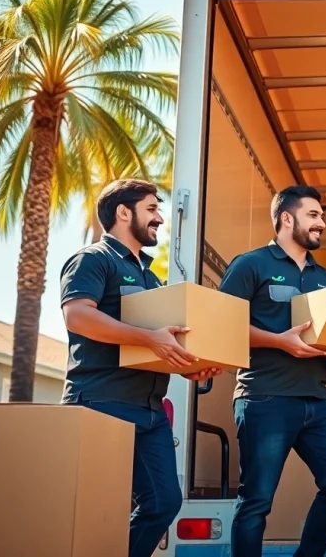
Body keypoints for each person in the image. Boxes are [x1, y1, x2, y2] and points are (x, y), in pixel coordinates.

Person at [60, 179, 221, 557]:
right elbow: (78, 316)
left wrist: (190, 367)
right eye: (151, 209)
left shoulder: (152, 278)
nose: (160, 219)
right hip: (102, 403)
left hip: (150, 412)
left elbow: (158, 341)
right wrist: (150, 338)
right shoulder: (94, 259)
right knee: (96, 511)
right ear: (122, 212)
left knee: (164, 503)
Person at [219, 184, 326, 557]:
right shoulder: (251, 265)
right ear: (287, 218)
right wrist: (279, 340)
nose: (323, 223)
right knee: (257, 501)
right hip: (265, 397)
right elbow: (219, 326)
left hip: (317, 400)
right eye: (313, 215)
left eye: (322, 216)